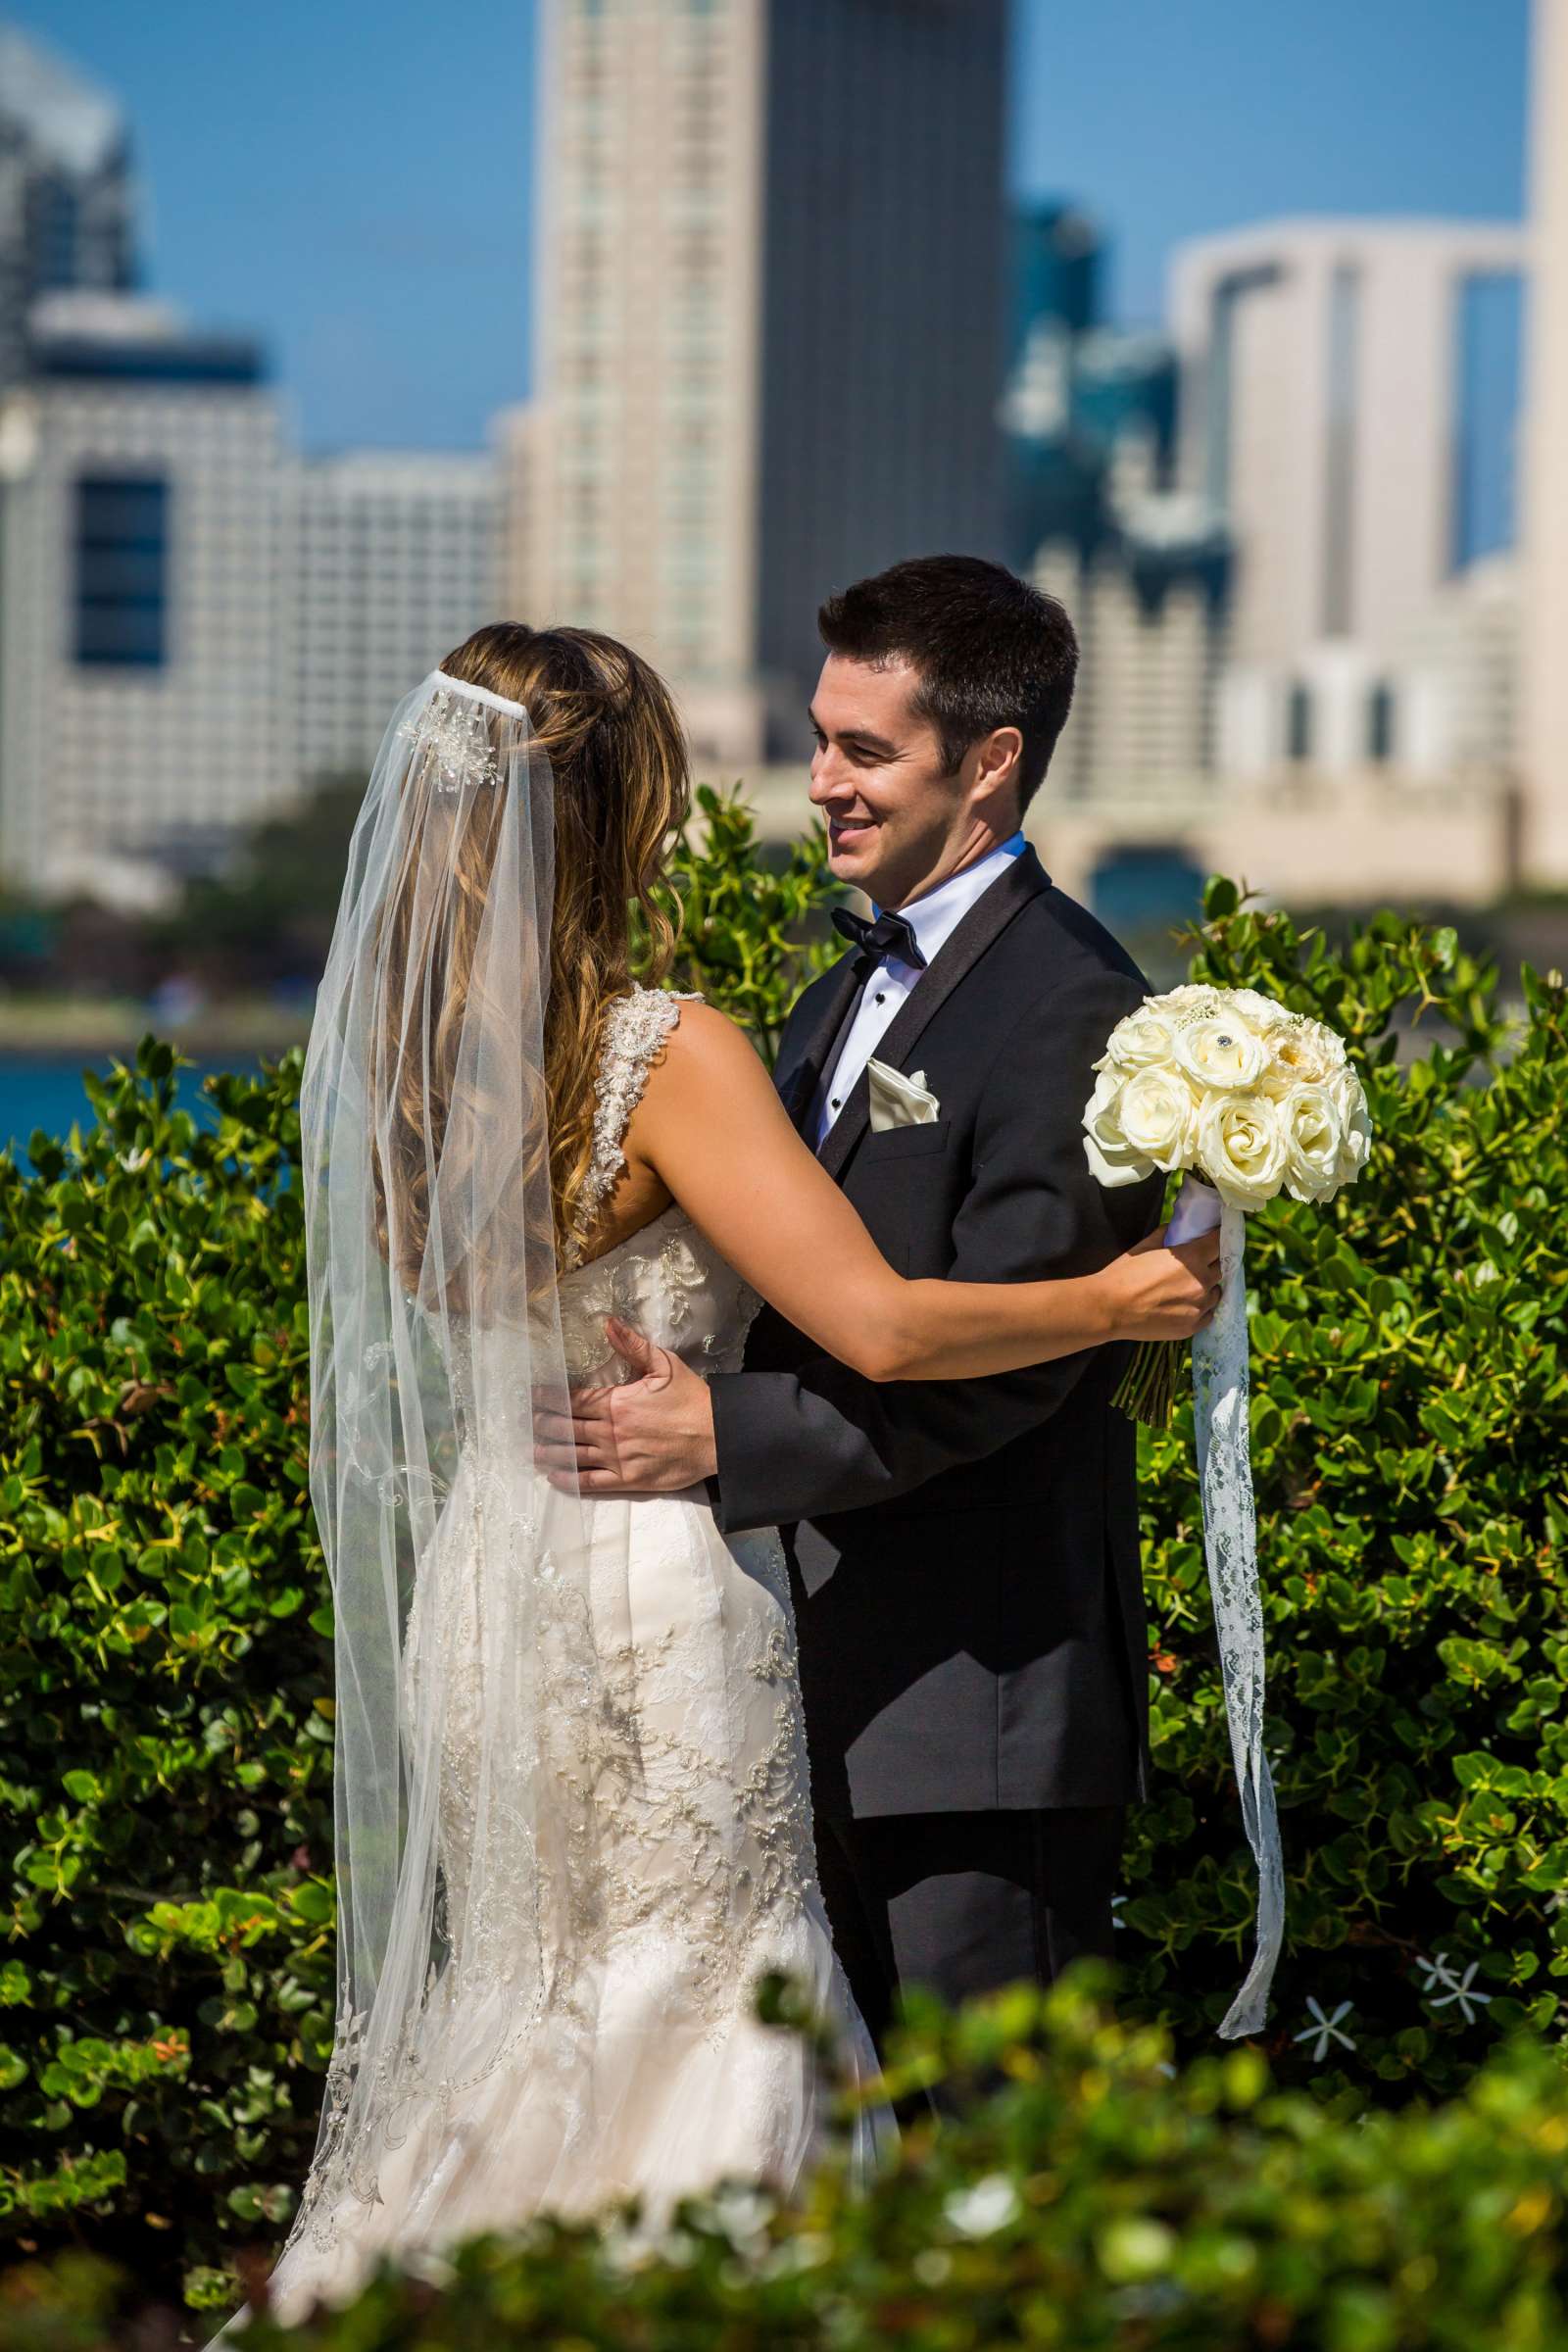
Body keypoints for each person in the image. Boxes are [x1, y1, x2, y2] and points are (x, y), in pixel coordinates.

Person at [231, 617, 1215, 2332]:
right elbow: (891, 1329)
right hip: (653, 1592)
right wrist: (1124, 1296)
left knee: (533, 2009)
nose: (813, 785)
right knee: (684, 2000)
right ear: (622, 812)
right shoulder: (663, 1048)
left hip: (494, 1577)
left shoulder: (409, 1067)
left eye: (862, 749)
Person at [551, 556, 1166, 2053]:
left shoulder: (1071, 1000)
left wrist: (724, 1432)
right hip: (811, 1681)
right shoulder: (840, 995)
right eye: (823, 740)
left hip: (979, 1705)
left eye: (865, 750)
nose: (821, 782)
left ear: (990, 762)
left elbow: (1009, 1357)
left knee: (994, 2168)